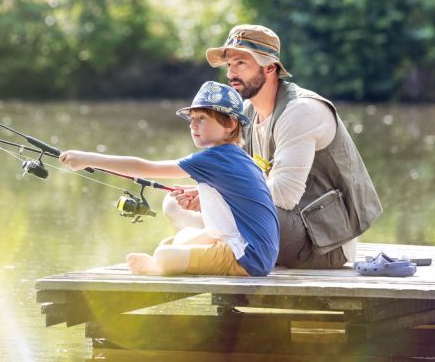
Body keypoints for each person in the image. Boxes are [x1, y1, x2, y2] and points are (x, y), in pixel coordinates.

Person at [165, 25, 382, 269]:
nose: (231, 74)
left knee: (217, 204)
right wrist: (208, 191)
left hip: (323, 243)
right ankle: (214, 248)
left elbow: (284, 195)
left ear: (270, 67)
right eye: (229, 65)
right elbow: (240, 177)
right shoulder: (246, 113)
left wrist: (220, 194)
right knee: (174, 204)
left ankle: (206, 250)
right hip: (276, 224)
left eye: (241, 63)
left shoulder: (300, 112)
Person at [59, 81, 279, 278]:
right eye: (192, 119)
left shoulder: (214, 157)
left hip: (246, 258)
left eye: (202, 118)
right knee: (181, 239)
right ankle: (165, 259)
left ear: (231, 124)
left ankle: (157, 267)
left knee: (165, 255)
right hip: (254, 251)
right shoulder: (236, 156)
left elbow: (146, 167)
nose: (193, 125)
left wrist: (88, 159)